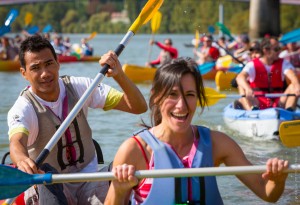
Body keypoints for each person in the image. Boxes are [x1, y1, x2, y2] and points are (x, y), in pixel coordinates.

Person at [104, 57, 289, 205]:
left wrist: (277, 179)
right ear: (156, 96)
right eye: (172, 95)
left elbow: (268, 194)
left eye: (190, 95)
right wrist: (119, 191)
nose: (181, 105)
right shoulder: (134, 150)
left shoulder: (218, 143)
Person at [7, 34, 147, 204]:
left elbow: (138, 107)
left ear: (58, 63)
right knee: (43, 173)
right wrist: (22, 160)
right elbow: (16, 143)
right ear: (24, 73)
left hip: (90, 182)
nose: (45, 73)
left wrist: (119, 75)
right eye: (36, 68)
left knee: (129, 158)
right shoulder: (23, 107)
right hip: (51, 185)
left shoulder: (81, 87)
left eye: (49, 64)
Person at [235, 38, 300, 111]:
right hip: (258, 102)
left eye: (279, 49)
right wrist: (247, 88)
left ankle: (289, 113)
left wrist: (297, 86)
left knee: (294, 86)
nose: (279, 52)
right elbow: (240, 77)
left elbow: (292, 75)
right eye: (276, 49)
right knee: (242, 86)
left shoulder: (284, 63)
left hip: (278, 102)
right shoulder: (252, 64)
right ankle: (251, 111)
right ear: (266, 50)